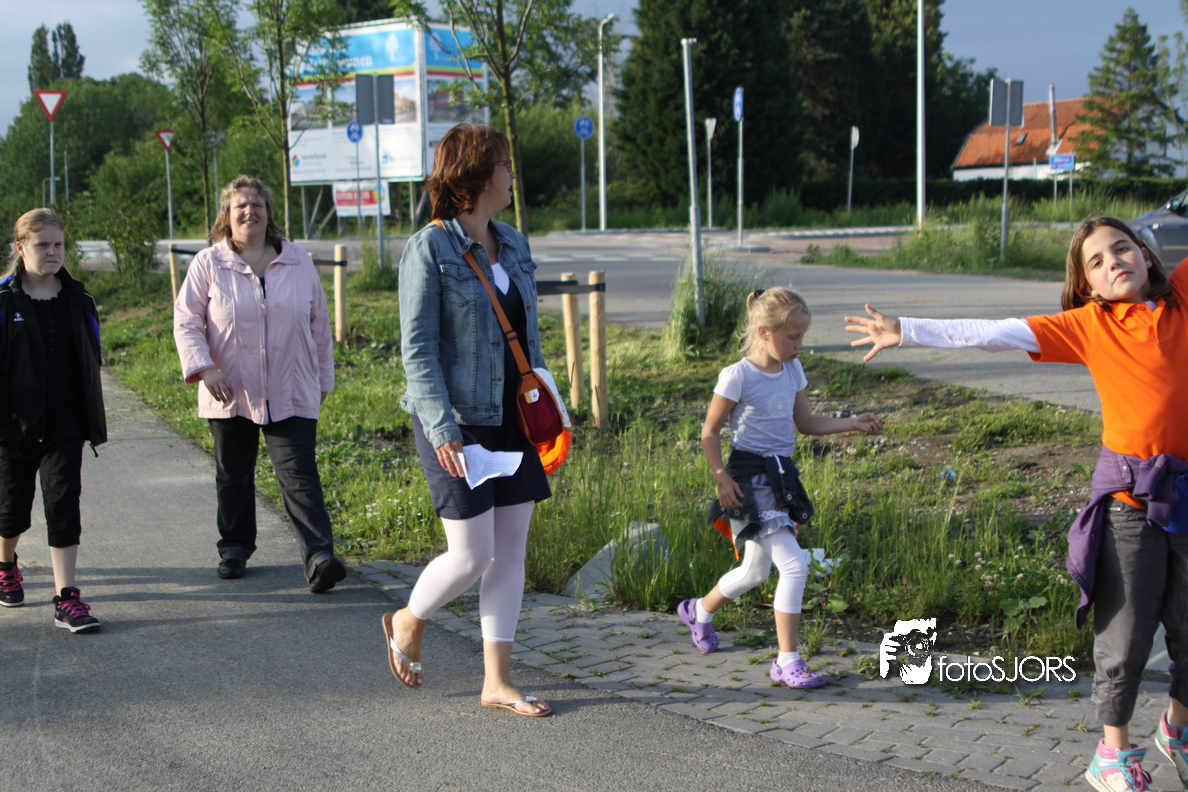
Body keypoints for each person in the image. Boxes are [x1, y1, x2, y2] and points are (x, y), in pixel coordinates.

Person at [844, 215, 1188, 792]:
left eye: (1122, 248)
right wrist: (908, 329)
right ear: (1087, 286)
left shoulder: (1181, 298)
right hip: (1130, 503)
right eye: (1097, 262)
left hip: (1187, 498)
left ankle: (1177, 729)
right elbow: (992, 332)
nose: (1114, 262)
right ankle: (1112, 754)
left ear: (1147, 255)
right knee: (1125, 636)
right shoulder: (1089, 326)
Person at [382, 123, 554, 717]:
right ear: (476, 175)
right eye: (504, 164)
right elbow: (418, 351)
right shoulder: (429, 248)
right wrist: (441, 426)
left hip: (515, 418)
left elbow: (527, 338)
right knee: (471, 555)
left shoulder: (515, 242)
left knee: (509, 553)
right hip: (458, 421)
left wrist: (549, 402)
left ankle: (497, 681)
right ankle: (409, 619)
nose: (512, 173)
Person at [678, 287, 883, 688]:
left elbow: (805, 424)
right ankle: (787, 661)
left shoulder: (793, 371)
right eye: (792, 337)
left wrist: (851, 424)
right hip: (748, 478)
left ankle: (698, 611)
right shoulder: (737, 376)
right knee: (794, 565)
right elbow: (709, 432)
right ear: (763, 332)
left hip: (780, 476)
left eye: (802, 336)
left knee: (753, 572)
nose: (799, 345)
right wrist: (720, 477)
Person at [173, 176, 346, 594]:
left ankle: (319, 556)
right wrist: (204, 369)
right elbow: (186, 321)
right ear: (227, 216)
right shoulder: (208, 263)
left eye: (257, 205)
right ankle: (234, 547)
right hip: (230, 388)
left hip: (292, 384)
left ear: (269, 214)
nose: (249, 211)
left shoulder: (298, 260)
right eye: (240, 206)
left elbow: (320, 324)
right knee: (233, 473)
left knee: (299, 474)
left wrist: (323, 378)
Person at [0, 208, 106, 633]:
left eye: (58, 244)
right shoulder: (4, 300)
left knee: (63, 504)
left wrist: (87, 420)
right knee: (10, 511)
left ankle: (66, 598)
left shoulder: (79, 300)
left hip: (65, 423)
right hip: (11, 426)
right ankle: (5, 564)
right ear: (20, 247)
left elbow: (92, 359)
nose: (52, 252)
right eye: (42, 244)